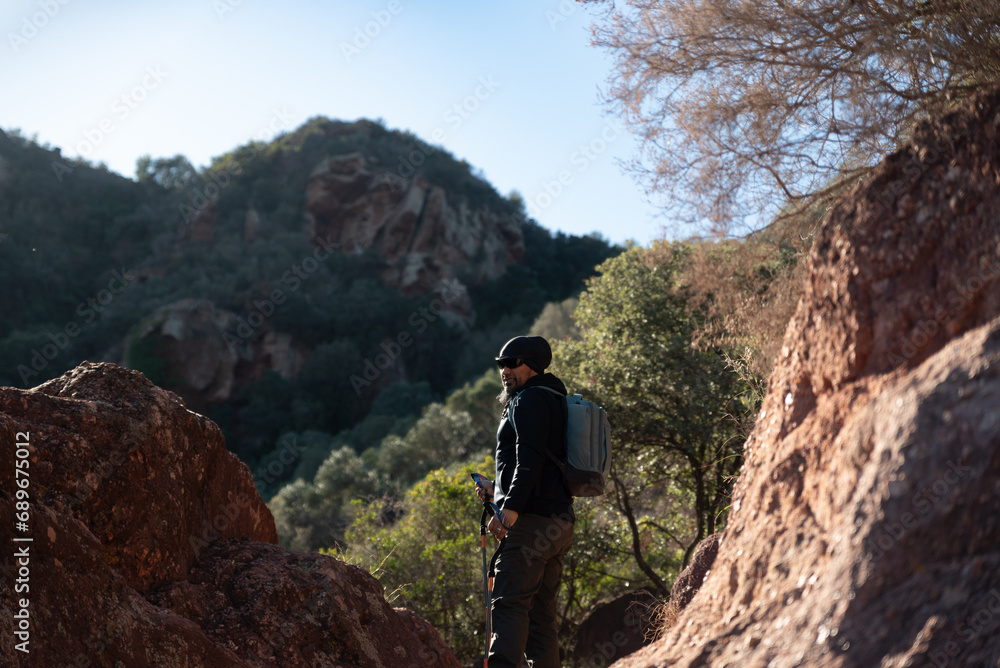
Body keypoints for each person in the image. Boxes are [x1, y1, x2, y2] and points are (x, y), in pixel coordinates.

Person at [475, 335, 575, 668]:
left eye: (512, 363)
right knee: (543, 617)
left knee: (509, 605)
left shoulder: (528, 401)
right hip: (558, 522)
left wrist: (509, 510)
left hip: (530, 522)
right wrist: (497, 490)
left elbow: (528, 459)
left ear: (532, 366)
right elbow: (539, 464)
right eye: (501, 364)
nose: (505, 370)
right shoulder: (555, 398)